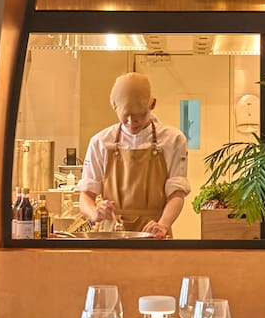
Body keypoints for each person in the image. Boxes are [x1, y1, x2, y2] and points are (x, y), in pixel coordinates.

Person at [78, 72, 189, 238]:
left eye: (139, 116)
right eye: (125, 118)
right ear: (114, 108)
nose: (131, 123)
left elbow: (177, 194)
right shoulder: (100, 141)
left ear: (152, 105)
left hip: (153, 232)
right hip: (112, 233)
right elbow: (86, 195)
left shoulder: (173, 139)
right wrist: (95, 213)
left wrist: (163, 224)